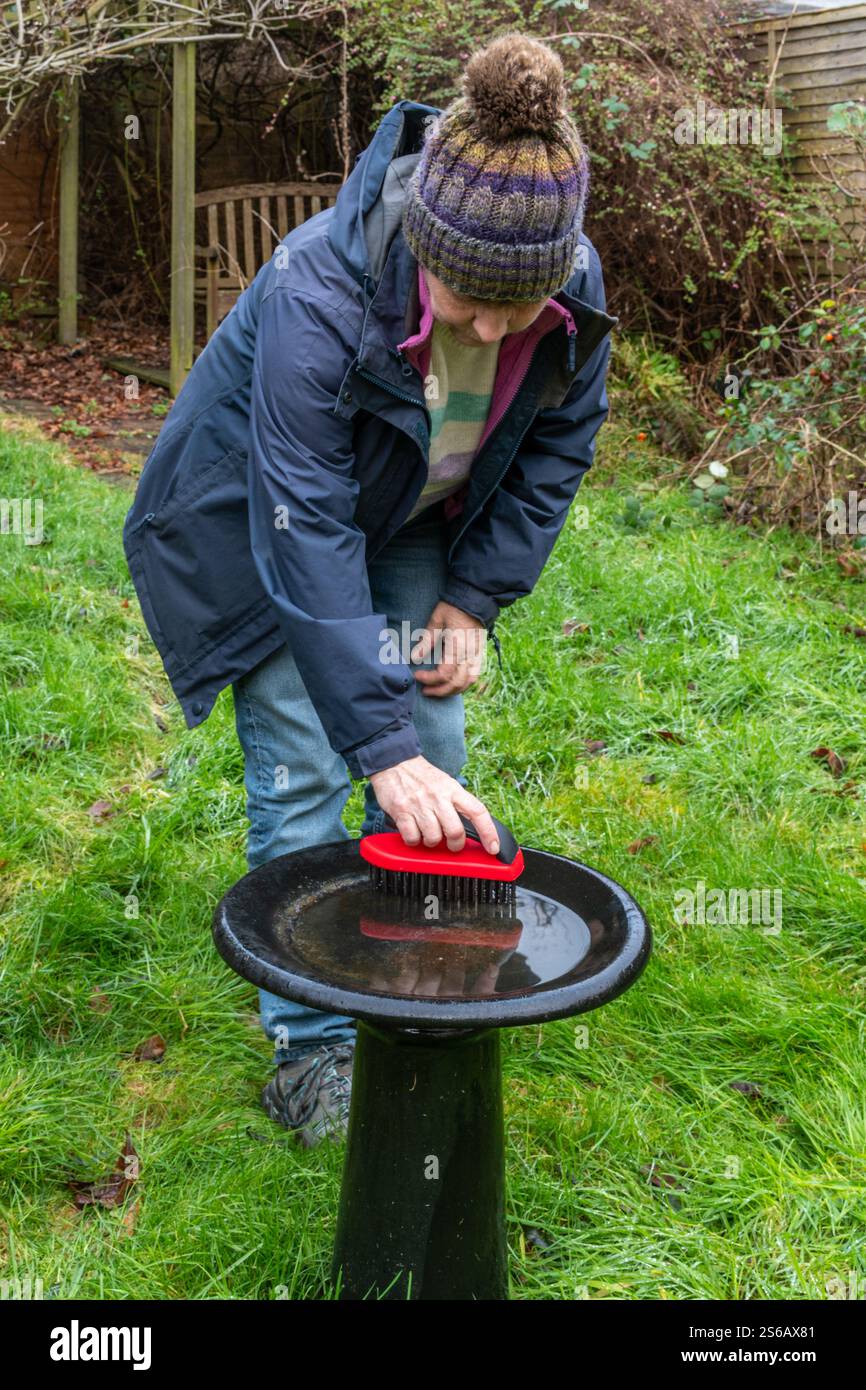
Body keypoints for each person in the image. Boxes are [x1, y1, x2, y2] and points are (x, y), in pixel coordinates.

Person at [123, 30, 615, 1147]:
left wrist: (473, 597)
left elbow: (557, 447)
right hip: (270, 516)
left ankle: (419, 982)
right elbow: (303, 523)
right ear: (421, 247)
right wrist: (370, 746)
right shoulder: (318, 288)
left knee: (429, 739)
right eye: (468, 300)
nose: (492, 331)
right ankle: (311, 1047)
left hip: (410, 511)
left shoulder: (566, 283)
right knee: (306, 758)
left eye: (518, 309)